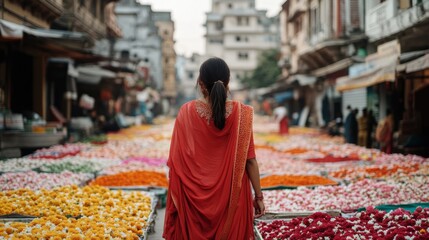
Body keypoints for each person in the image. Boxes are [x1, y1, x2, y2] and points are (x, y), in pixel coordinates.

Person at [163, 58, 265, 240]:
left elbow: (177, 163)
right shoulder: (242, 113)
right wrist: (258, 197)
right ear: (228, 82)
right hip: (233, 202)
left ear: (201, 84)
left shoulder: (186, 112)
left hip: (193, 203)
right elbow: (250, 160)